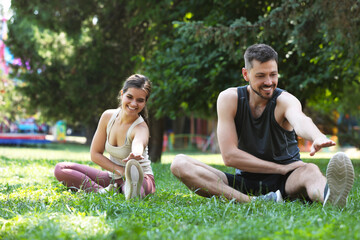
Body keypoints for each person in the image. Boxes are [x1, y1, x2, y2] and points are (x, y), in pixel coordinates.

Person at [170, 44, 354, 207]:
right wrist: (279, 167)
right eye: (261, 75)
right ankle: (253, 202)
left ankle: (329, 196)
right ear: (245, 74)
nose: (269, 82)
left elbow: (300, 120)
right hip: (245, 180)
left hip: (287, 180)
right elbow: (229, 156)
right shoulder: (229, 99)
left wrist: (317, 136)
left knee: (311, 170)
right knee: (179, 163)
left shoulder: (285, 101)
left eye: (273, 74)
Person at [54, 74, 155, 199]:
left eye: (140, 100)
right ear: (122, 94)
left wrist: (136, 153)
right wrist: (123, 172)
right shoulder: (108, 116)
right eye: (130, 97)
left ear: (145, 102)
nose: (134, 103)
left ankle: (129, 189)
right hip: (113, 177)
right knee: (61, 168)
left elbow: (139, 142)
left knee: (133, 190)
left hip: (143, 179)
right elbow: (95, 154)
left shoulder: (141, 127)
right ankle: (101, 191)